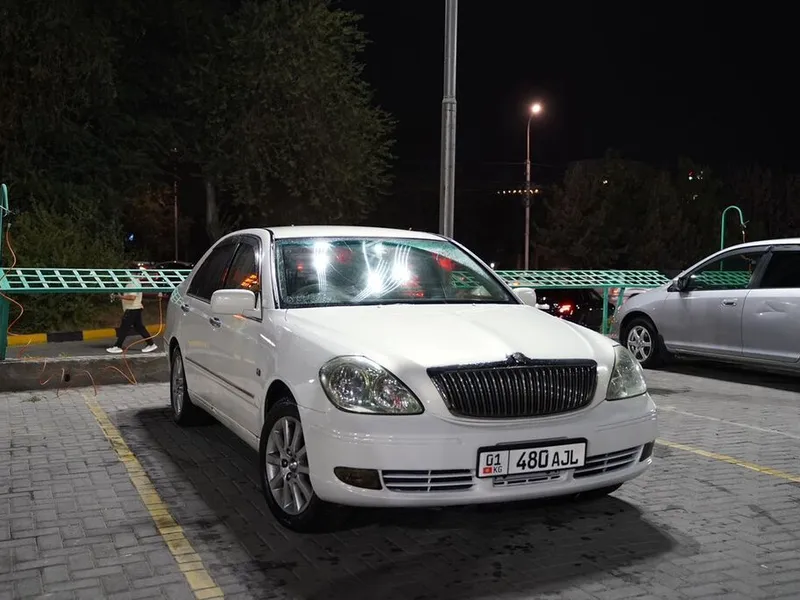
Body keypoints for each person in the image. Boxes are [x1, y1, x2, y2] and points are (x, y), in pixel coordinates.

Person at [106, 274, 158, 354]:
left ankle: (117, 346)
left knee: (124, 328)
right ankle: (151, 344)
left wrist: (118, 297)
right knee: (139, 327)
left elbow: (132, 297)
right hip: (135, 308)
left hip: (132, 309)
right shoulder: (135, 282)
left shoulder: (133, 283)